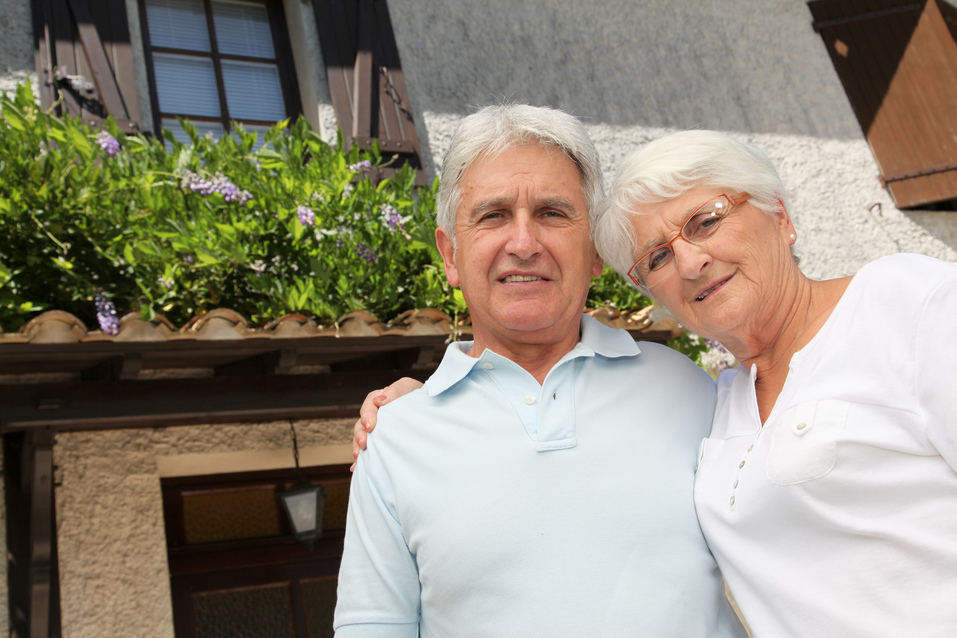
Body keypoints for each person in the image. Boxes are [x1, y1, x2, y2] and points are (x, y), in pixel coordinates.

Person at [354, 129, 957, 637]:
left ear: (782, 215)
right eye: (659, 258)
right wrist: (421, 408)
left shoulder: (910, 304)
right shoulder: (725, 402)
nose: (690, 261)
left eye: (706, 221)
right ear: (451, 256)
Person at [334, 106, 746, 637]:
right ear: (450, 256)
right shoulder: (393, 440)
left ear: (595, 250)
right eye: (492, 215)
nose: (523, 243)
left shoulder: (689, 387)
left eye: (552, 213)